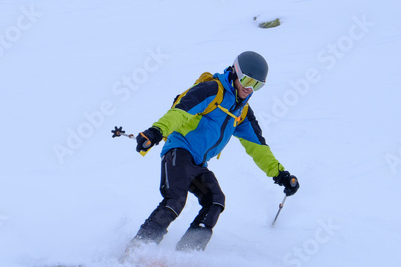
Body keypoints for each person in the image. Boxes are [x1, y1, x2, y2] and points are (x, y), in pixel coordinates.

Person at [124, 51, 299, 255]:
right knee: (175, 200)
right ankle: (137, 248)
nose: (249, 88)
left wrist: (281, 175)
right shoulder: (210, 90)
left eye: (257, 85)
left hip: (198, 164)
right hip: (178, 152)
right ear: (235, 72)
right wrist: (156, 132)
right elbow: (180, 112)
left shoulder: (242, 112)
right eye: (247, 80)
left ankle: (187, 254)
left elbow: (258, 147)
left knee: (215, 201)